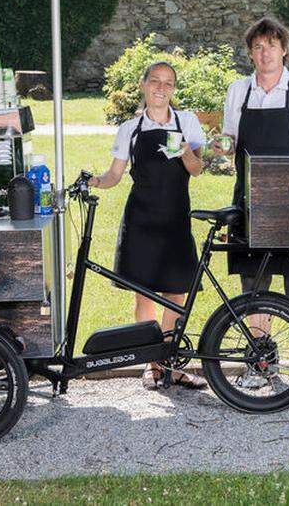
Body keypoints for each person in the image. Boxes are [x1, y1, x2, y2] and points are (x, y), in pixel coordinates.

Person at [213, 17, 289, 398]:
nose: (264, 52)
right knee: (254, 286)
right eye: (258, 46)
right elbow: (230, 139)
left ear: (284, 49)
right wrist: (222, 145)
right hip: (250, 200)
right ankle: (259, 362)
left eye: (271, 44)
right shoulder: (238, 91)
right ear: (251, 52)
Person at [89, 61, 208, 390]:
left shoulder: (188, 122)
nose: (161, 87)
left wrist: (185, 150)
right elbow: (115, 175)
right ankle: (150, 364)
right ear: (143, 85)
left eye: (168, 83)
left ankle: (171, 362)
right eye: (155, 81)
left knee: (176, 294)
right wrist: (95, 181)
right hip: (141, 218)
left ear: (173, 89)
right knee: (144, 295)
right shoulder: (130, 128)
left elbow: (197, 170)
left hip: (175, 219)